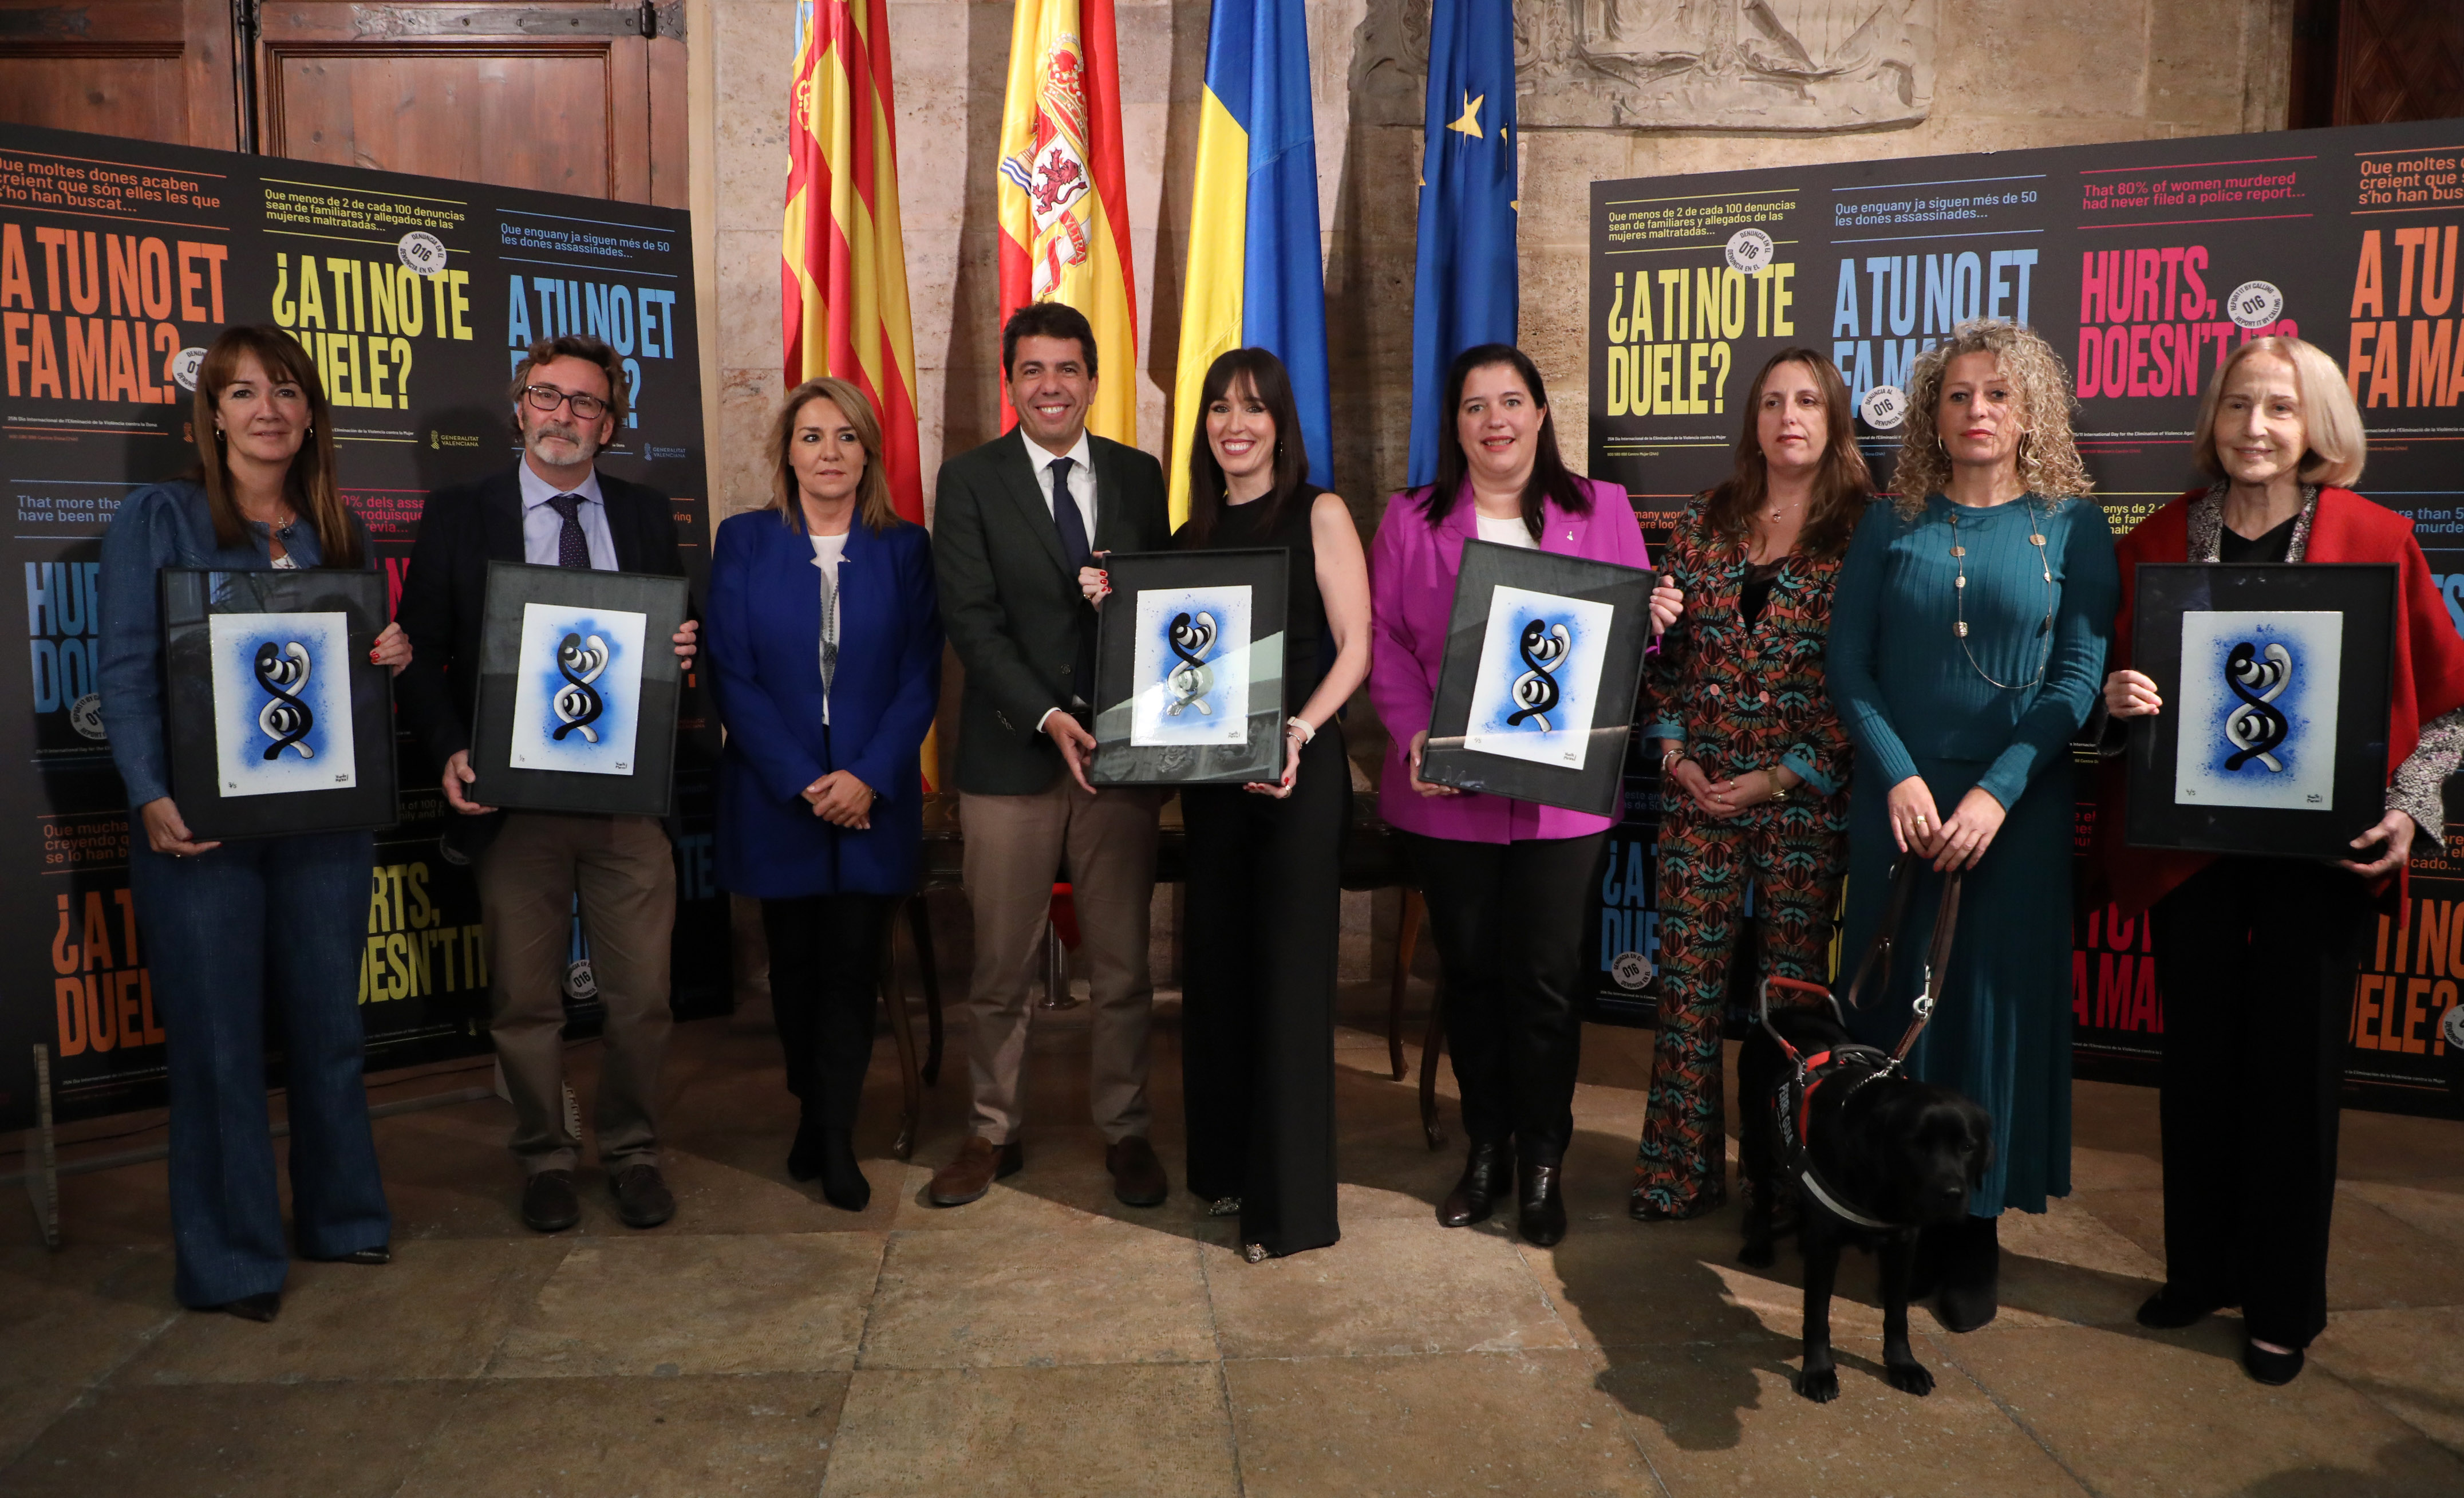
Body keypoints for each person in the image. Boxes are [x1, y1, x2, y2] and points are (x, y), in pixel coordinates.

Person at [2096, 336, 2464, 1385]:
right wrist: (2115, 702)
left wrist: (2407, 808)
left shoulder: (2377, 537)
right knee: (2199, 1065)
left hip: (2322, 855)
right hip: (2193, 853)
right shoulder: (2160, 538)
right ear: (2212, 423)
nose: (2256, 429)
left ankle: (2283, 1306)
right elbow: (2113, 687)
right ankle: (2199, 1271)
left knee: (2295, 1079)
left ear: (2317, 431)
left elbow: (2450, 702)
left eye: (2281, 410)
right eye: (2238, 408)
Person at [97, 325, 412, 1319]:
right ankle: (233, 1261)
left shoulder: (336, 527)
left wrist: (387, 656)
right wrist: (150, 792)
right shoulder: (161, 518)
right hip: (201, 833)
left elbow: (344, 679)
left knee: (329, 1030)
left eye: (284, 390)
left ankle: (343, 1217)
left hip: (324, 823)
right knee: (220, 1047)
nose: (267, 410)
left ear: (311, 410)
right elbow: (126, 670)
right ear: (214, 415)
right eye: (242, 394)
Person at [1826, 320, 2118, 1331]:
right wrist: (1903, 780)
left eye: (1998, 393)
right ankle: (1895, 1212)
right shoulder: (1887, 523)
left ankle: (1974, 1229)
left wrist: (1994, 792)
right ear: (1932, 414)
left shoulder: (2075, 526)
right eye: (1957, 395)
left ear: (2030, 408)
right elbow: (1849, 669)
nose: (1978, 410)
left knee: (1988, 1014)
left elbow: (2079, 678)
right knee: (1900, 1015)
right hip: (1896, 809)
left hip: (2016, 813)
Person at [1369, 342, 1683, 1247]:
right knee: (1469, 978)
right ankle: (1485, 1151)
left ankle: (1544, 1162)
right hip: (1446, 789)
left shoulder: (1603, 509)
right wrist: (1412, 733)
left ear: (1542, 415)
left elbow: (1625, 648)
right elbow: (1386, 641)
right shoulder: (1410, 519)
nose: (1495, 421)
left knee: (1544, 984)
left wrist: (1651, 627)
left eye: (1512, 402)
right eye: (1475, 407)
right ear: (1455, 424)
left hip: (1560, 803)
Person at [394, 333, 700, 1235]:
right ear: (519, 405)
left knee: (641, 997)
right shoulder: (462, 512)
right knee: (524, 1001)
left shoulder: (647, 515)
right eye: (547, 396)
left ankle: (635, 1151)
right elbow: (420, 652)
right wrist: (451, 748)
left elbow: (675, 643)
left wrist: (686, 650)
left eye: (586, 403)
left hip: (625, 801)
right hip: (512, 804)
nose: (564, 415)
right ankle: (544, 1157)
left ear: (612, 425)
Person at [1087, 348, 1370, 1260]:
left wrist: (1298, 733)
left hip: (1295, 777)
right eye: (1217, 409)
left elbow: (1356, 646)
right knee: (1217, 980)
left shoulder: (1320, 512)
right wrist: (1113, 600)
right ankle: (1224, 1174)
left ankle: (1286, 1215)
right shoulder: (1185, 540)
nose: (1233, 424)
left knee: (1287, 988)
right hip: (1213, 791)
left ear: (1280, 423)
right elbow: (1167, 672)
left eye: (1252, 408)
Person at [926, 302, 1174, 1209]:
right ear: (1011, 382)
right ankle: (993, 1133)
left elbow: (1166, 609)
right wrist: (1044, 715)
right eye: (1033, 370)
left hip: (1120, 767)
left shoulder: (1141, 478)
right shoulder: (969, 481)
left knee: (1123, 968)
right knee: (1000, 969)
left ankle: (1128, 1131)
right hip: (1011, 762)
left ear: (1094, 380)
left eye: (1068, 369)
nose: (1051, 386)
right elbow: (971, 622)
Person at [1630, 348, 1870, 1222]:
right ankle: (1677, 1174)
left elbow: (1869, 683)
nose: (1789, 417)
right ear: (1754, 422)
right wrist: (1677, 756)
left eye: (1807, 401)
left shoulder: (1865, 531)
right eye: (1772, 402)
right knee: (1686, 997)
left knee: (1790, 1006)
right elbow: (1668, 661)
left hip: (1801, 804)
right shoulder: (1707, 521)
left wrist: (1779, 777)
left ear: (1833, 418)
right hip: (1699, 796)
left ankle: (1784, 1183)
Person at [705, 376, 942, 1213]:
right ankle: (813, 1106)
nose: (829, 453)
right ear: (786, 453)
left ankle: (836, 1136)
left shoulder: (905, 547)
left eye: (846, 437)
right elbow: (732, 673)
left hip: (872, 801)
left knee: (852, 969)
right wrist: (805, 781)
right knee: (794, 971)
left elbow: (920, 676)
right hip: (779, 798)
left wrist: (866, 777)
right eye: (812, 437)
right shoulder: (744, 542)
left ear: (868, 453)